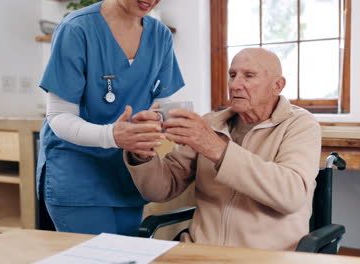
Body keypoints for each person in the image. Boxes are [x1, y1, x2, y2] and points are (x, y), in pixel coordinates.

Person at [125, 48, 321, 250]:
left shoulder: (300, 125)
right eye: (232, 75)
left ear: (277, 85)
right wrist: (143, 153)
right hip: (201, 252)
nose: (235, 85)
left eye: (249, 76)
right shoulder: (211, 123)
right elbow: (161, 190)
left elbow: (291, 195)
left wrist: (215, 148)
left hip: (266, 256)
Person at [36, 0, 185, 236]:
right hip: (78, 176)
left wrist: (161, 121)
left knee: (126, 258)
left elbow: (163, 104)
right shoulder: (77, 29)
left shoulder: (160, 36)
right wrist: (112, 136)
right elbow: (59, 116)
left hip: (127, 176)